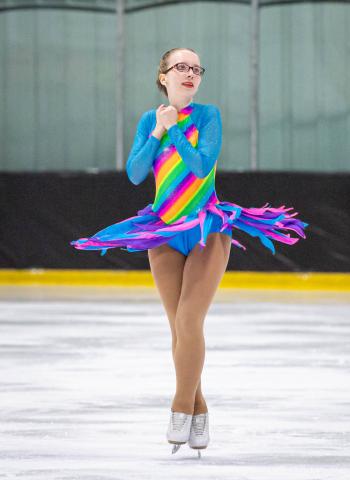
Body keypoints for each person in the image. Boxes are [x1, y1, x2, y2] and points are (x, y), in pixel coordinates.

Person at [70, 47, 309, 457]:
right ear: (163, 76)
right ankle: (200, 408)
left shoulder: (208, 116)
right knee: (177, 327)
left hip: (206, 227)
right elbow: (134, 173)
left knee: (189, 317)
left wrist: (175, 129)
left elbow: (201, 167)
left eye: (196, 69)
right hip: (163, 229)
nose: (190, 74)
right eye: (181, 67)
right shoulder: (150, 120)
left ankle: (180, 407)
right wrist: (159, 130)